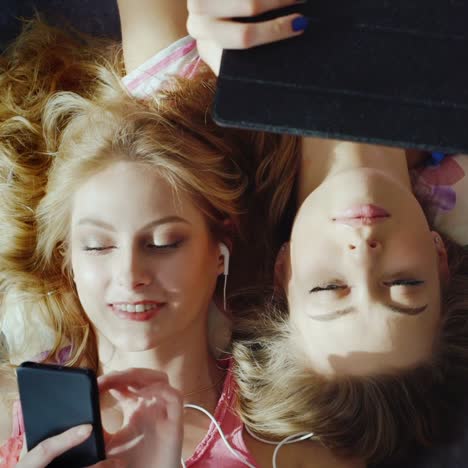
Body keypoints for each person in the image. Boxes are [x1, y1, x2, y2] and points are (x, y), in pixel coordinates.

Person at [0, 7, 360, 468]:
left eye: (164, 243)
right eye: (98, 245)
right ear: (68, 256)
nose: (130, 276)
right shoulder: (17, 419)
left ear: (220, 252)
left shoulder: (293, 442)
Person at [183, 0, 468, 465]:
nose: (363, 252)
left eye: (330, 287)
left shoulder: (193, 101)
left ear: (284, 269)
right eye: (402, 283)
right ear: (439, 258)